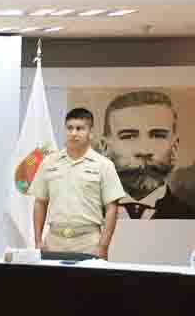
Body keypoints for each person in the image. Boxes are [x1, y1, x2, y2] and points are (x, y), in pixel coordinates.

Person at [30, 107, 127, 258]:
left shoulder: (104, 165)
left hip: (88, 242)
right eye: (69, 128)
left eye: (80, 128)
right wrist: (37, 241)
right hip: (54, 241)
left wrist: (103, 246)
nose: (73, 133)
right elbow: (40, 202)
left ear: (90, 133)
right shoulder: (49, 162)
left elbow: (112, 209)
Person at [101, 90, 195, 219]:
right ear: (105, 148)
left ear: (174, 147)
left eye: (158, 136)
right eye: (129, 136)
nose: (144, 151)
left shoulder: (192, 218)